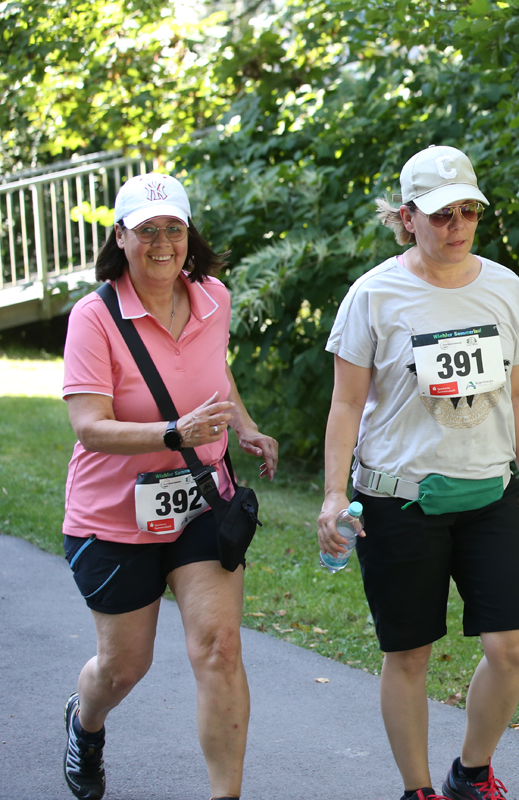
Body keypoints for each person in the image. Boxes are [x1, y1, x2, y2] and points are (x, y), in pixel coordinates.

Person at [319, 144, 519, 800]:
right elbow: (344, 404)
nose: (458, 225)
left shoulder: (504, 288)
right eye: (442, 215)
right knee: (409, 654)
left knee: (512, 648)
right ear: (406, 217)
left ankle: (471, 772)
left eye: (468, 211)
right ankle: (418, 790)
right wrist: (335, 494)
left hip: (487, 496)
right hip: (399, 501)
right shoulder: (374, 295)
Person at [61, 173, 279, 800]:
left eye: (174, 228)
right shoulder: (94, 317)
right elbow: (89, 426)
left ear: (189, 234)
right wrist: (173, 433)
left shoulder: (213, 297)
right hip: (113, 513)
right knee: (124, 666)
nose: (162, 242)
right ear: (121, 236)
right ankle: (86, 719)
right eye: (147, 229)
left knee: (218, 648)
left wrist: (243, 424)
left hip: (202, 502)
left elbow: (215, 372)